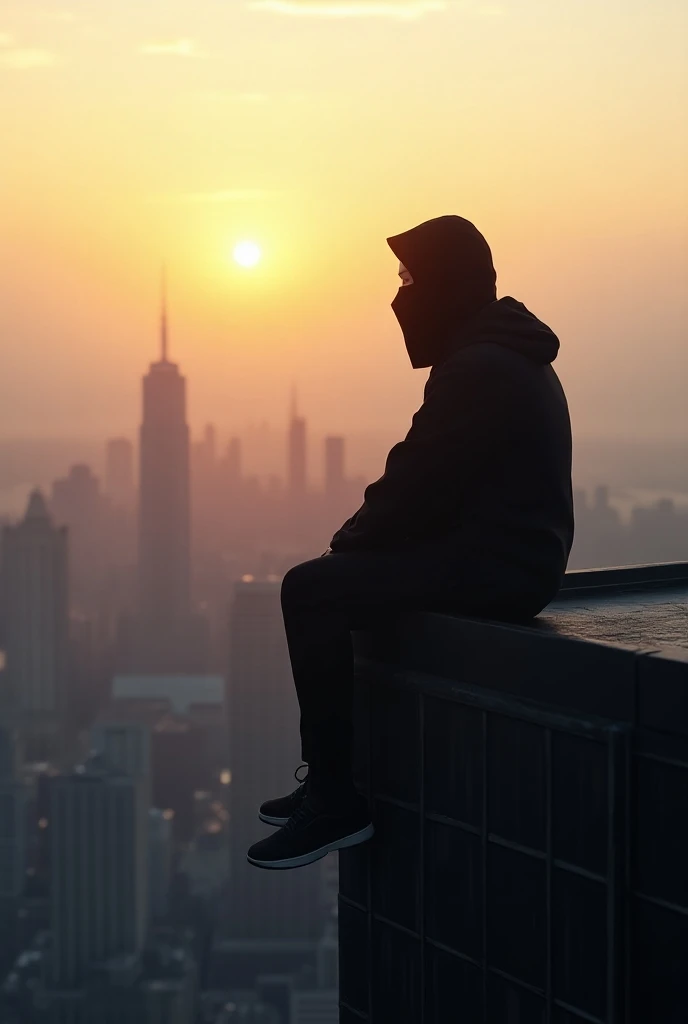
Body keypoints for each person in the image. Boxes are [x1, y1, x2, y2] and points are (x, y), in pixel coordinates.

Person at [247, 214, 574, 870]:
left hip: (499, 568)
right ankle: (330, 785)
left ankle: (335, 797)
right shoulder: (498, 352)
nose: (399, 293)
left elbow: (416, 474)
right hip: (507, 557)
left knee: (309, 590)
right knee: (335, 581)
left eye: (408, 277)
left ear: (445, 283)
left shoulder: (479, 366)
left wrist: (351, 541)